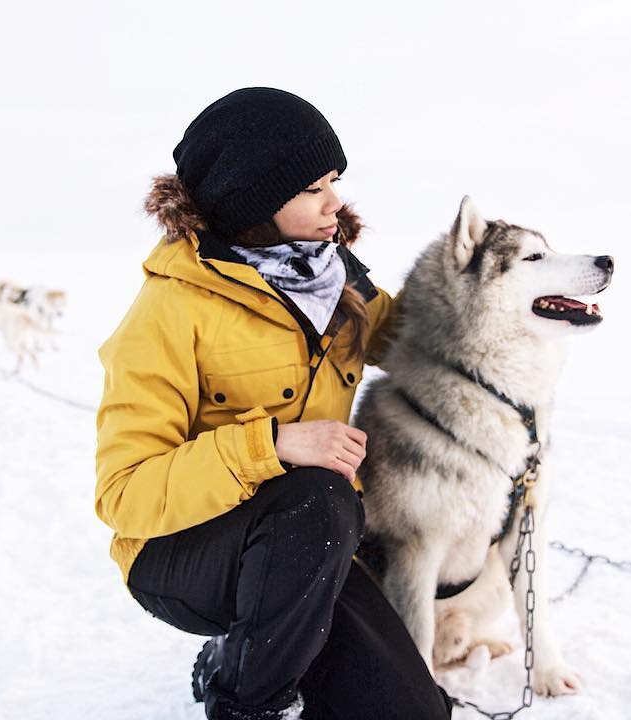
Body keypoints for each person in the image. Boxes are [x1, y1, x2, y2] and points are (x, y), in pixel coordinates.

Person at [94, 87, 453, 720]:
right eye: (314, 188)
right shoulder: (170, 311)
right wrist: (273, 444)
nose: (336, 203)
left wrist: (505, 295)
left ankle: (239, 653)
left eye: (334, 181)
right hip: (182, 555)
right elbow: (124, 495)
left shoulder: (335, 278)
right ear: (256, 199)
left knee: (415, 712)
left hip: (307, 549)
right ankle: (248, 704)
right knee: (317, 493)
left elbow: (420, 347)